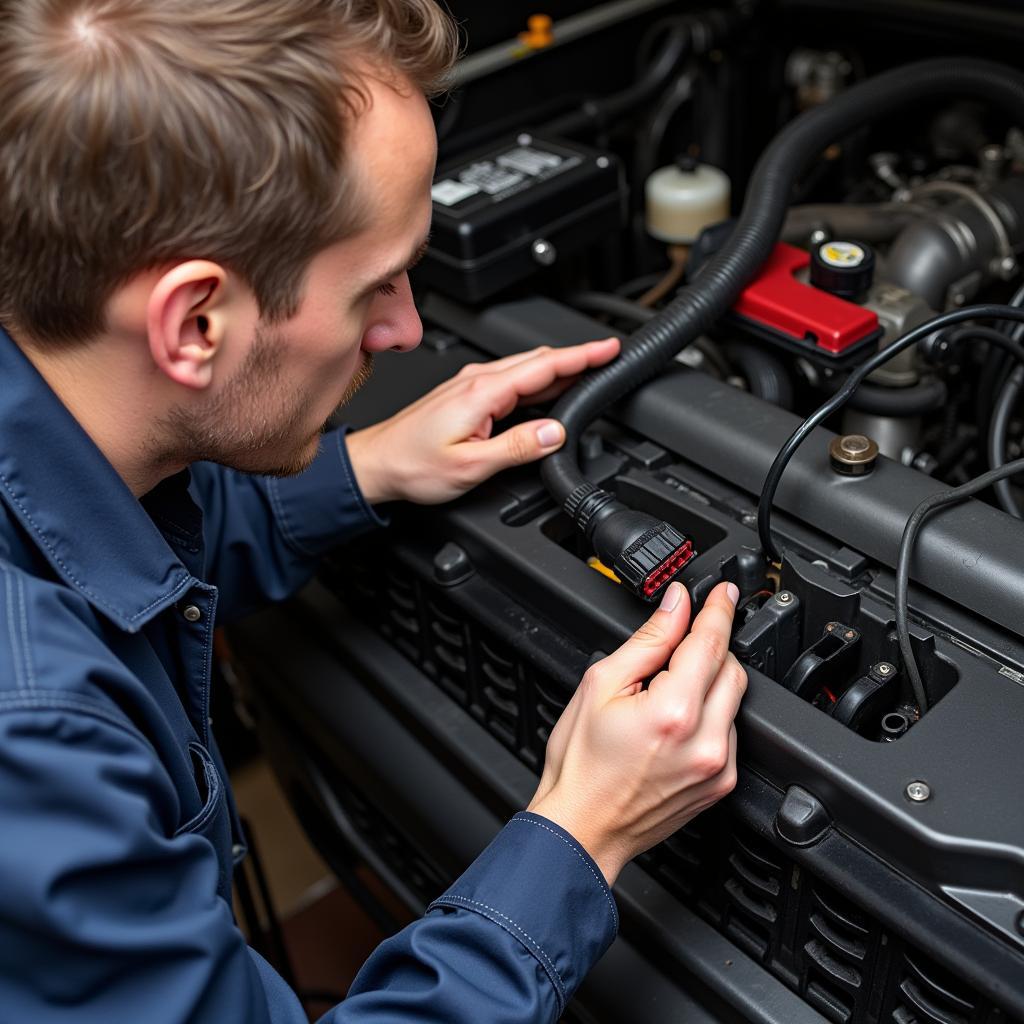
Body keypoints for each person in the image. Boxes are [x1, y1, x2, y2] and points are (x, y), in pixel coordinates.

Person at [0, 1, 747, 1021]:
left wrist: (364, 470)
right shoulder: (33, 735)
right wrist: (585, 828)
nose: (404, 330)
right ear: (195, 321)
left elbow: (114, 548)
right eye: (374, 289)